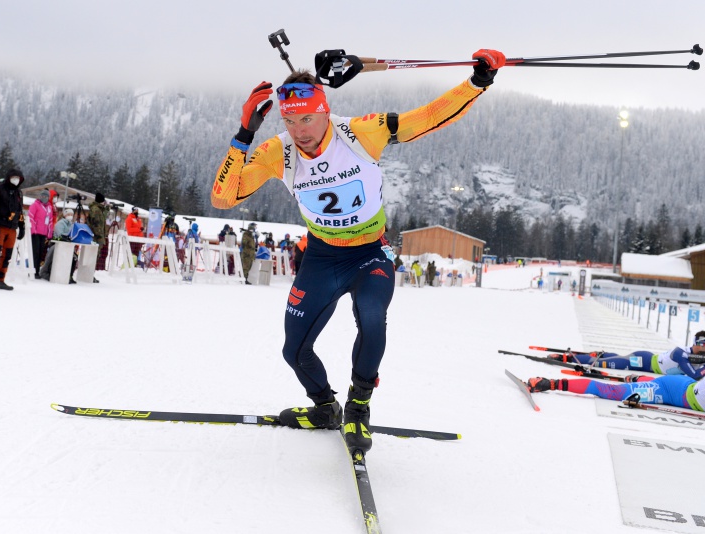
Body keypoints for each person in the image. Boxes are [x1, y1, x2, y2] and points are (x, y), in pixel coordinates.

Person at [210, 48, 506, 454]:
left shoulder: (360, 132)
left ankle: (359, 406)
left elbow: (429, 117)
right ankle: (325, 408)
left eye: (308, 118)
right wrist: (244, 134)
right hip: (322, 257)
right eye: (290, 121)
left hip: (370, 253)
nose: (300, 130)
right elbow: (224, 198)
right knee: (293, 351)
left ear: (325, 110)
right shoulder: (278, 152)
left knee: (371, 318)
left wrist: (477, 82)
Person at [527, 351, 705, 424]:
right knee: (613, 392)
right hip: (670, 392)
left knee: (639, 384)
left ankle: (637, 380)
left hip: (688, 386)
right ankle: (553, 383)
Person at [550, 331, 705, 380]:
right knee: (606, 364)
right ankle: (569, 358)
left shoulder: (697, 356)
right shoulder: (681, 353)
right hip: (643, 361)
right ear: (700, 344)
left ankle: (601, 354)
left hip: (648, 360)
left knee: (616, 358)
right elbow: (696, 375)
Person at [0, 169, 26, 291]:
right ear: (9, 177)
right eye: (14, 177)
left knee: (7, 256)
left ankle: (0, 280)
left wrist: (22, 226)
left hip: (12, 229)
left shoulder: (19, 193)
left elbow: (20, 211)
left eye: (18, 178)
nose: (16, 180)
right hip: (0, 226)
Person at [40, 208, 77, 283]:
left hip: (68, 245)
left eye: (71, 215)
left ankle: (69, 275)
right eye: (68, 214)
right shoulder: (60, 223)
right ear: (65, 215)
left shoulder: (72, 224)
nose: (70, 216)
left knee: (74, 258)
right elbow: (60, 235)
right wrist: (67, 237)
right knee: (54, 257)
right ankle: (47, 273)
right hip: (57, 245)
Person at [28, 189, 54, 278]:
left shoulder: (49, 207)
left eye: (46, 196)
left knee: (40, 253)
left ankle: (37, 271)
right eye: (42, 196)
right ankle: (32, 270)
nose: (44, 198)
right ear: (40, 196)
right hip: (35, 233)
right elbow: (30, 217)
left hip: (43, 233)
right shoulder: (35, 205)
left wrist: (49, 233)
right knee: (35, 252)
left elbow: (50, 221)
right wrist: (33, 230)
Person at [88, 192, 108, 277]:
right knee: (93, 256)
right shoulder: (96, 210)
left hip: (97, 236)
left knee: (96, 256)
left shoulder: (99, 209)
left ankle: (90, 275)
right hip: (96, 237)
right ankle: (89, 275)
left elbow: (103, 216)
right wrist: (100, 235)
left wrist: (106, 208)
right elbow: (96, 224)